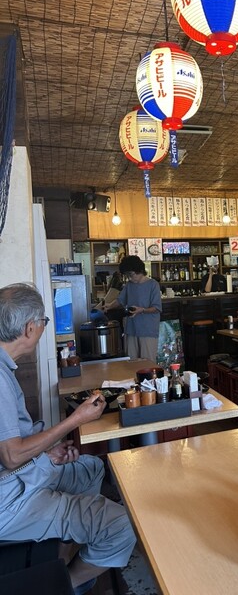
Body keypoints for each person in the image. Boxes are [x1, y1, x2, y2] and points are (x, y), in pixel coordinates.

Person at [0, 283, 136, 595]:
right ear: (30, 328)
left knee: (89, 468)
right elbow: (11, 455)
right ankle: (65, 584)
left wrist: (47, 453)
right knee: (123, 526)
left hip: (17, 477)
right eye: (43, 322)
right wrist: (76, 419)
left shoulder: (5, 367)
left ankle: (61, 554)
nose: (43, 328)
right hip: (10, 498)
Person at [105, 255, 162, 361]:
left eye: (131, 274)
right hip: (131, 329)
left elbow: (157, 308)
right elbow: (120, 300)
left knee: (147, 364)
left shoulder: (153, 284)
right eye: (127, 275)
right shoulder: (129, 285)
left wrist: (142, 310)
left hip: (148, 330)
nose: (129, 278)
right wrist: (109, 306)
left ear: (139, 270)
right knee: (131, 362)